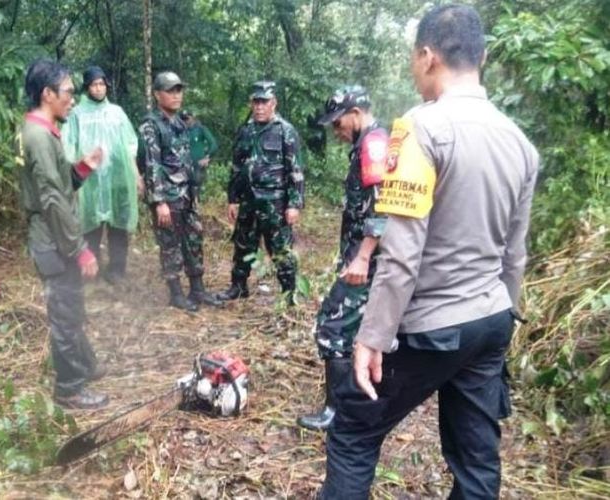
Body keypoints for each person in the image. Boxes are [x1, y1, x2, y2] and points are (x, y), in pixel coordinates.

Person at [320, 4, 540, 498]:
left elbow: (402, 252)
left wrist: (371, 337)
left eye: (413, 60)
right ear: (480, 57)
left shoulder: (420, 129)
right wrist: (500, 327)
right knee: (476, 460)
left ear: (426, 56)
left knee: (354, 430)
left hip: (431, 326)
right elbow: (514, 255)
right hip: (491, 320)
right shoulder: (520, 143)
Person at [16, 59, 109, 410]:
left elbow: (58, 183)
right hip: (53, 239)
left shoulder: (41, 130)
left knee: (71, 305)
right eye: (68, 92)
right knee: (65, 314)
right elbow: (52, 200)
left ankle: (84, 366)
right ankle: (69, 389)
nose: (73, 98)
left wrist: (84, 166)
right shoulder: (38, 136)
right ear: (47, 94)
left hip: (55, 235)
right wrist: (79, 249)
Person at [297, 86, 388, 431]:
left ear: (356, 112)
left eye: (338, 123)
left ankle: (337, 413)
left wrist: (363, 257)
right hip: (360, 255)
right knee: (354, 330)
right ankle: (358, 403)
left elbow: (381, 207)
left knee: (332, 327)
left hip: (368, 259)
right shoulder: (364, 144)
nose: (336, 132)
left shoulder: (374, 144)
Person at [137, 71, 221, 312]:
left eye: (179, 90)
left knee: (194, 239)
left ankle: (198, 289)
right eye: (170, 90)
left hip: (187, 194)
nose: (176, 95)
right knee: (170, 244)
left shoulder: (180, 123)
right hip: (167, 197)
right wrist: (159, 201)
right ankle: (176, 294)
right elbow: (152, 165)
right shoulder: (151, 125)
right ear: (157, 94)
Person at [217, 81, 304, 305]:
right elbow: (236, 166)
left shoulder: (285, 131)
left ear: (273, 103)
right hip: (248, 200)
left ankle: (289, 294)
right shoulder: (245, 130)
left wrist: (294, 204)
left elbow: (295, 170)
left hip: (275, 202)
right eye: (256, 101)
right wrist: (233, 199)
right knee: (243, 243)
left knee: (281, 249)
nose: (259, 107)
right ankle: (238, 286)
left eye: (264, 102)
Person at [62, 66, 142, 284]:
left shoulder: (117, 113)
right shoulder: (77, 114)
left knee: (118, 226)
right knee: (91, 227)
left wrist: (135, 174)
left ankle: (117, 271)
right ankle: (92, 272)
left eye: (101, 84)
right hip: (91, 182)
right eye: (93, 85)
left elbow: (129, 144)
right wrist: (74, 178)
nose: (98, 88)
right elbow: (69, 145)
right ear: (87, 88)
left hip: (117, 178)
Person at [181, 110, 217, 201]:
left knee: (196, 188)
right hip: (183, 166)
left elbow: (213, 144)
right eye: (183, 119)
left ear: (192, 118)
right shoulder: (180, 131)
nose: (186, 121)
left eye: (187, 119)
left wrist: (207, 157)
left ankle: (196, 207)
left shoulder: (200, 129)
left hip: (197, 165)